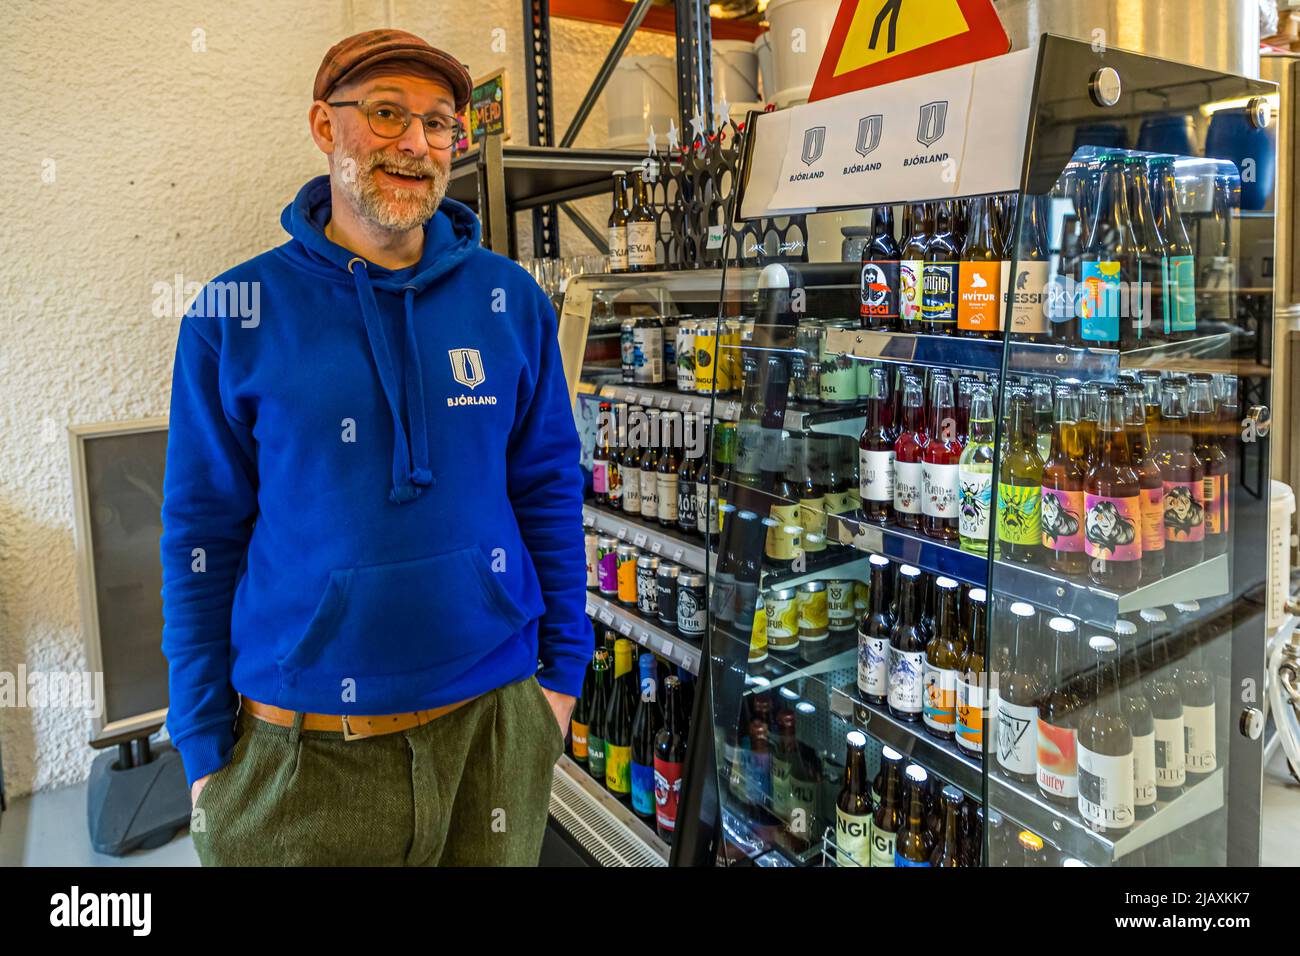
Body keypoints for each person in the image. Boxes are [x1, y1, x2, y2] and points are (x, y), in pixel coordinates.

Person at [160, 28, 588, 866]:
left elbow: (546, 491)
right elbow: (200, 536)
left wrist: (560, 685)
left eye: (438, 124)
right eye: (386, 113)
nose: (415, 144)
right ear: (326, 127)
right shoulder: (233, 313)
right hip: (300, 757)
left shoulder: (511, 304)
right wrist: (203, 748)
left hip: (496, 732)